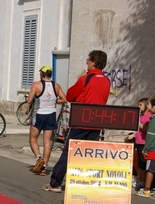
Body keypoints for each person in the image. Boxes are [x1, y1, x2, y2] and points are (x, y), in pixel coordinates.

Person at [43, 50, 110, 193]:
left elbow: (70, 95)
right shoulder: (106, 80)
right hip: (97, 122)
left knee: (68, 152)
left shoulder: (85, 79)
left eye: (88, 60)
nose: (86, 62)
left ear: (93, 63)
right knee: (89, 154)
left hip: (81, 120)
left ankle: (55, 183)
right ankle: (83, 184)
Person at [27, 65, 67, 176]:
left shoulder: (36, 85)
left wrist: (28, 98)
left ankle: (39, 158)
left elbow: (29, 101)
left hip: (39, 114)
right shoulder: (56, 86)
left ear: (42, 74)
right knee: (47, 142)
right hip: (51, 115)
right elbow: (64, 99)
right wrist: (55, 102)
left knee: (33, 139)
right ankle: (44, 168)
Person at [126, 97, 152, 191]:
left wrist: (138, 122)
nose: (139, 107)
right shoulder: (140, 116)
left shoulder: (148, 116)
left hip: (144, 141)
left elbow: (144, 128)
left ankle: (143, 181)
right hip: (138, 141)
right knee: (139, 163)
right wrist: (133, 134)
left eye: (141, 105)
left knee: (143, 162)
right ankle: (139, 179)